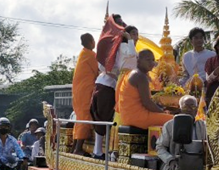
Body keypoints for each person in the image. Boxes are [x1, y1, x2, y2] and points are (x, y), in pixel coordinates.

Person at [90, 16, 129, 158]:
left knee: (106, 118)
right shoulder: (110, 44)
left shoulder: (122, 44)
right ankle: (98, 151)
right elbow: (123, 66)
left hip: (111, 85)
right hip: (109, 86)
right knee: (103, 117)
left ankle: (101, 151)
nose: (121, 27)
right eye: (118, 24)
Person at [119, 49, 172, 131]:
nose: (152, 63)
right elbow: (147, 103)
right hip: (137, 117)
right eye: (148, 60)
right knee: (175, 120)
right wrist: (162, 112)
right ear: (138, 61)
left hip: (128, 116)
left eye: (153, 60)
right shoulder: (139, 76)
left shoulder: (135, 73)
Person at [156, 95, 206, 170]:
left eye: (192, 107)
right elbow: (160, 148)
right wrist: (170, 160)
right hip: (175, 168)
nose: (189, 110)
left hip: (198, 169)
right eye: (186, 107)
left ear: (197, 109)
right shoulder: (170, 125)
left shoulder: (203, 126)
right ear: (180, 109)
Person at [72, 33, 100, 154]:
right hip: (85, 90)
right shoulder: (90, 55)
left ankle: (75, 147)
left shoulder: (83, 53)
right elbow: (98, 70)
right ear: (91, 42)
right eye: (94, 41)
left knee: (80, 117)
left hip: (78, 91)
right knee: (84, 117)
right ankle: (78, 148)